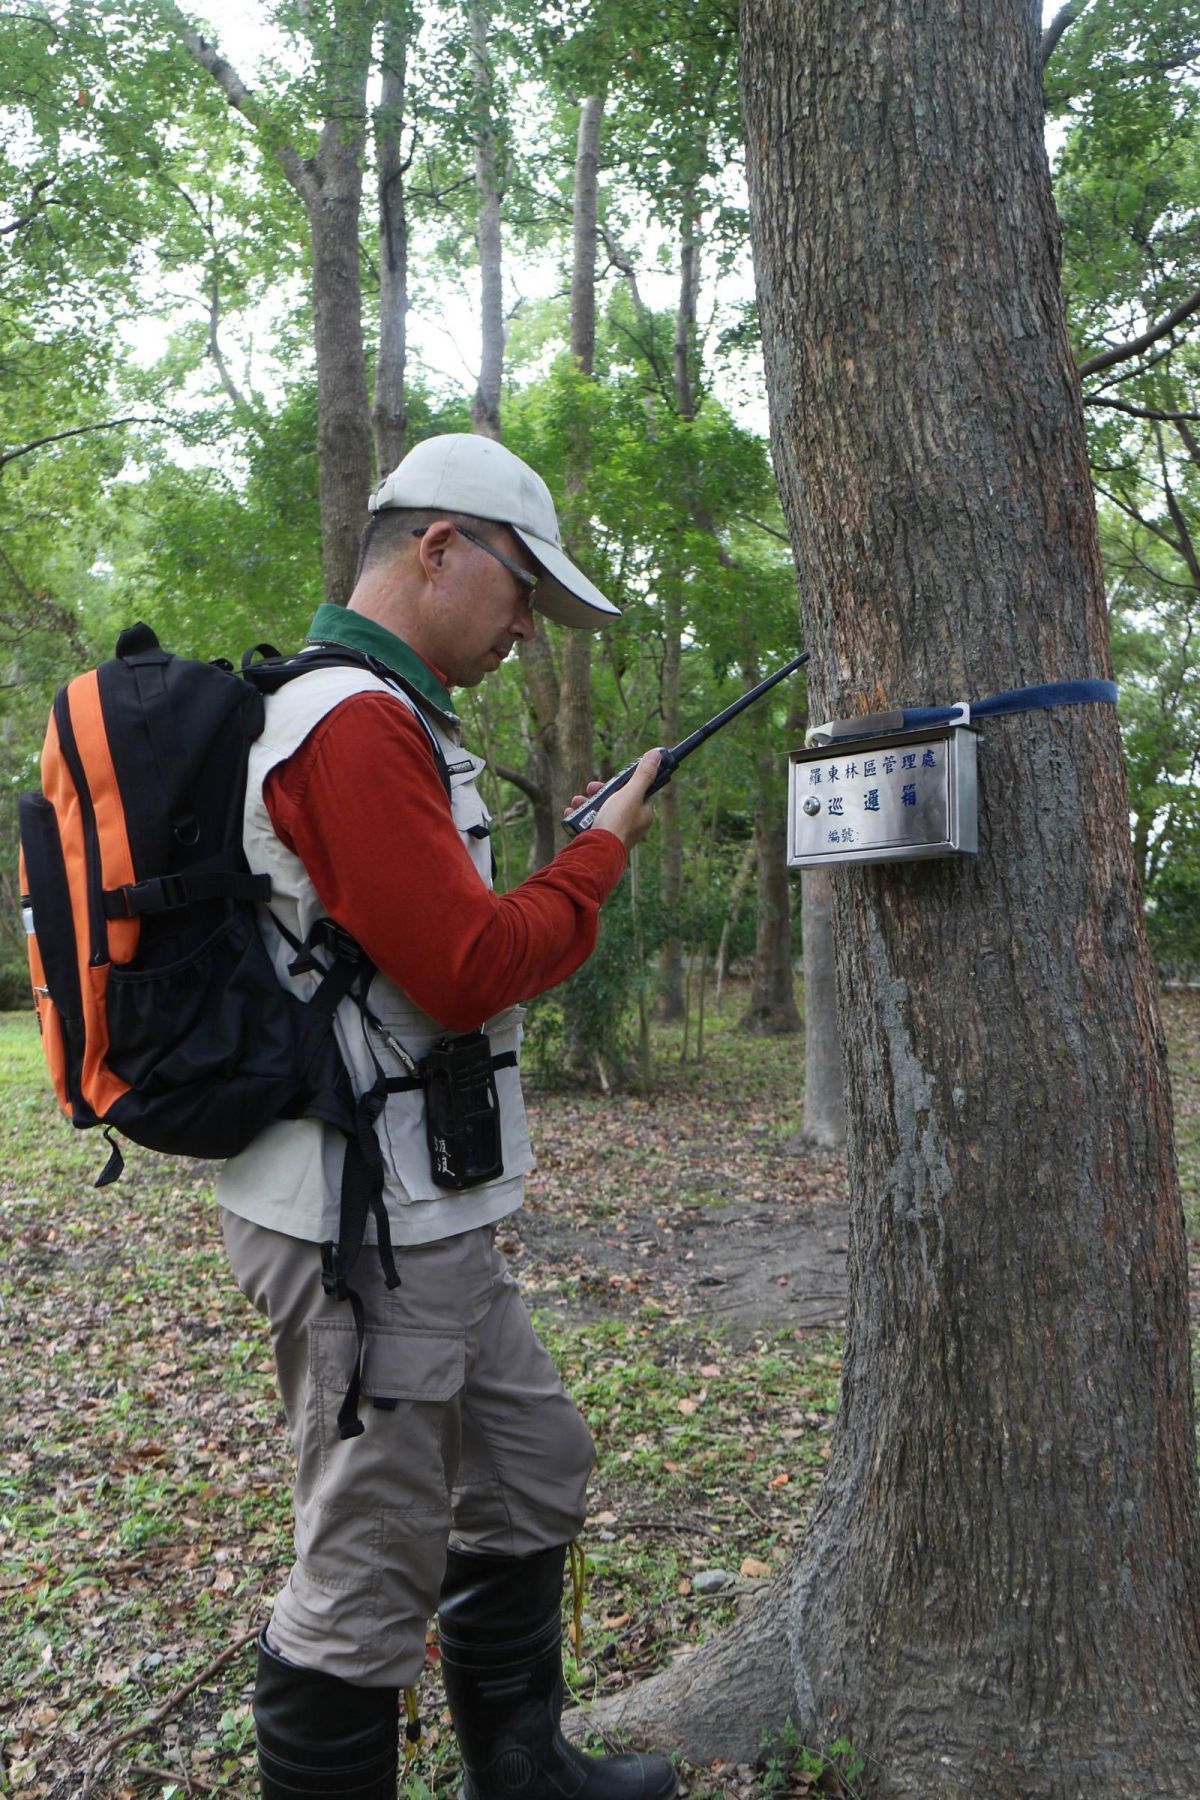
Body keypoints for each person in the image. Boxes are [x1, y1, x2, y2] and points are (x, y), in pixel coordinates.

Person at [215, 433, 676, 1800]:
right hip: (364, 1229)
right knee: (365, 1574)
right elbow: (468, 967)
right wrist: (596, 857)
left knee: (536, 1464)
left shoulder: (391, 724)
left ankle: (520, 1775)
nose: (528, 628)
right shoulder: (348, 721)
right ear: (436, 552)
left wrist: (568, 865)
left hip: (423, 1216)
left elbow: (437, 942)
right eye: (522, 591)